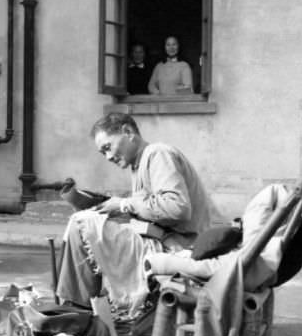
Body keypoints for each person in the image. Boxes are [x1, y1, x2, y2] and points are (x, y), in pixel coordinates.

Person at [55, 112, 213, 317]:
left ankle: (79, 310)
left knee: (81, 224)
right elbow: (148, 209)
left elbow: (177, 208)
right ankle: (83, 306)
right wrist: (106, 206)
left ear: (127, 132)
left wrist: (124, 204)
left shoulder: (157, 153)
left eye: (107, 147)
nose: (109, 157)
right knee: (86, 219)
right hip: (163, 238)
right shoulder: (139, 165)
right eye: (103, 153)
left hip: (179, 246)